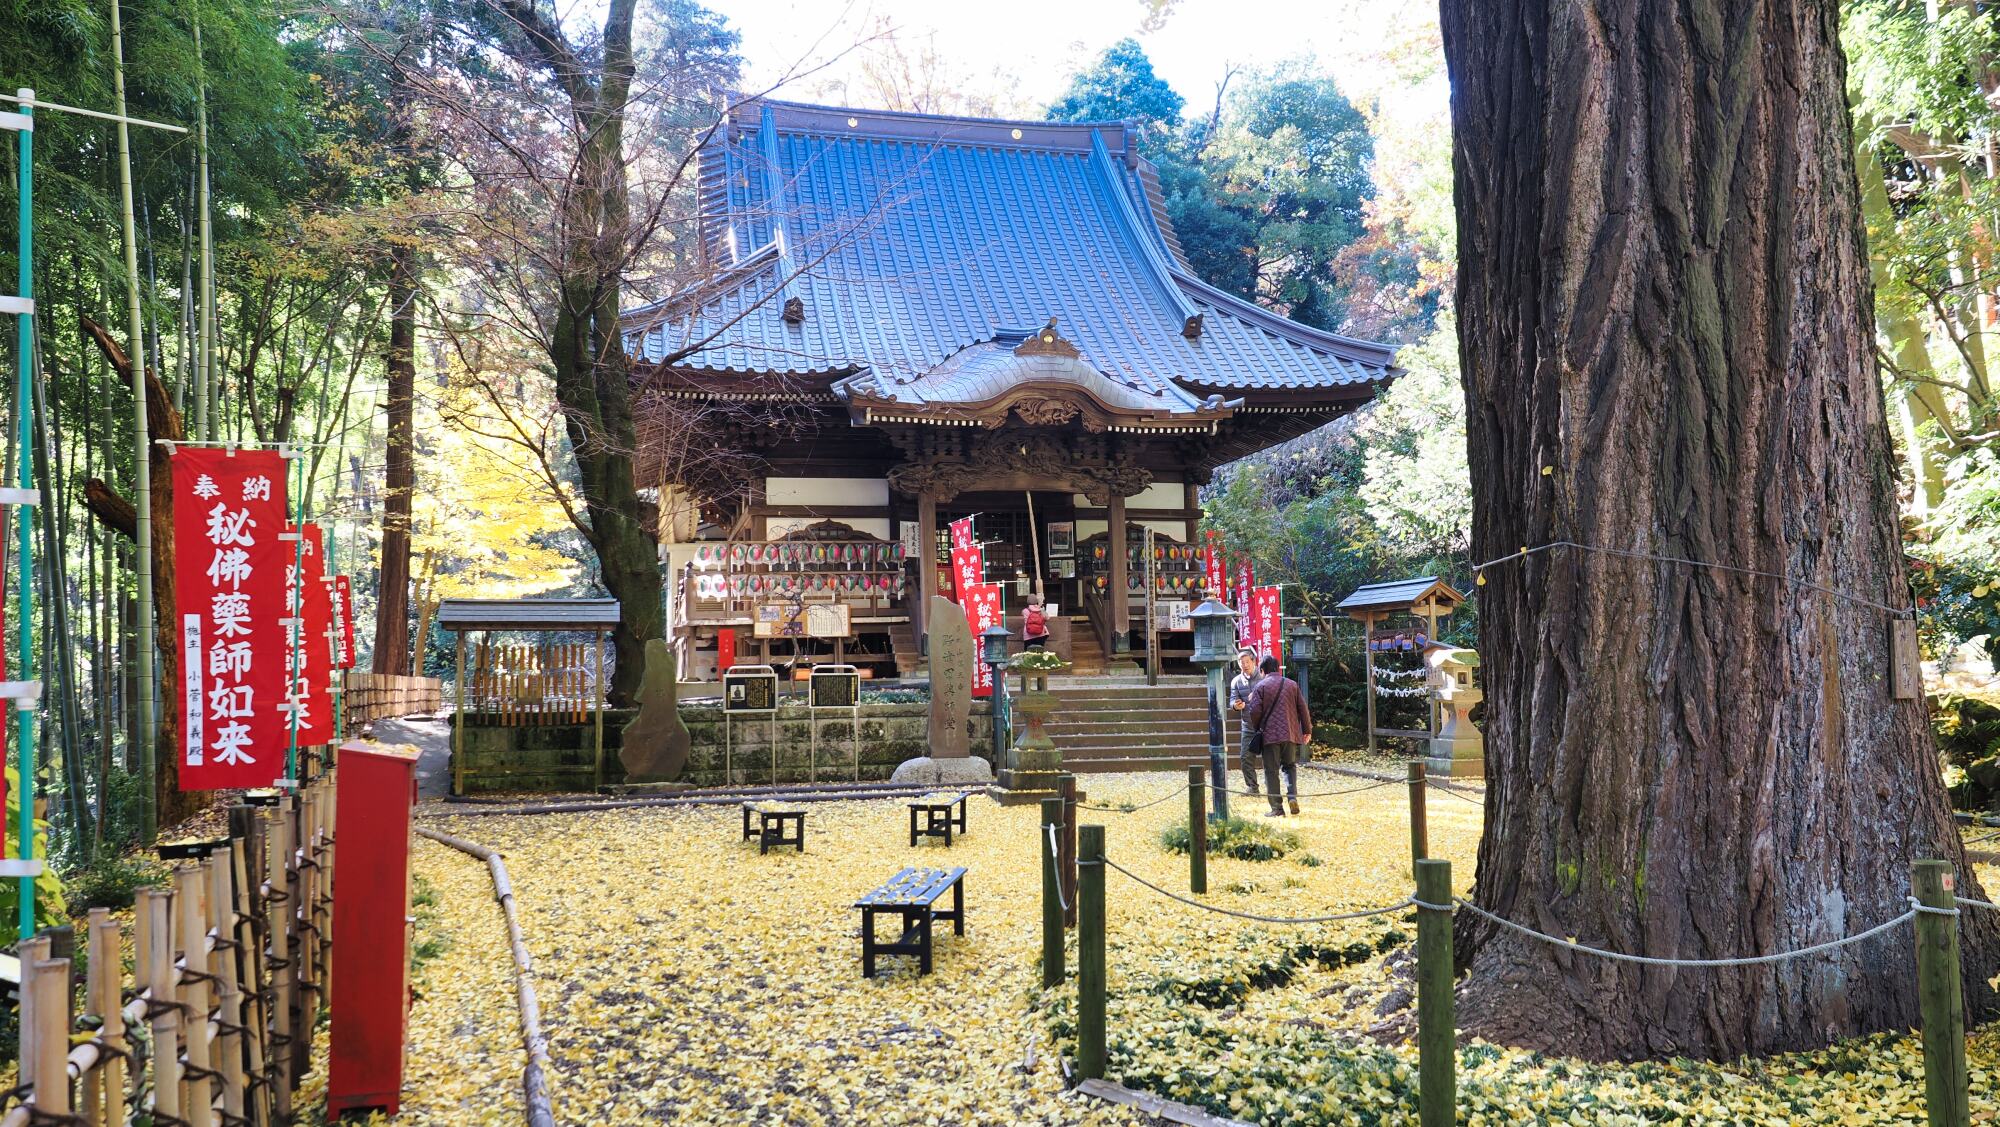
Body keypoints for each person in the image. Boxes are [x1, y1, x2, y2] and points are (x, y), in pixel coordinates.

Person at [1245, 655, 1310, 816]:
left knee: (1271, 771)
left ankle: (1277, 808)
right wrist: (1307, 730)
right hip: (1290, 733)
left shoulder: (1260, 686)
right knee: (1289, 766)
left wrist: (1258, 728)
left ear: (1262, 670)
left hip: (1270, 736)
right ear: (1277, 668)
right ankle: (1292, 797)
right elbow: (1303, 708)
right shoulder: (1292, 684)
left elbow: (1254, 711)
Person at [1227, 648, 1263, 795]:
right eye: (1242, 663)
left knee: (1270, 758)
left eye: (1247, 662)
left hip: (1265, 725)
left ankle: (1274, 789)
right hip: (1247, 724)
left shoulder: (1263, 677)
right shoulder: (1236, 681)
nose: (1245, 665)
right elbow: (1232, 701)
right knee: (1245, 757)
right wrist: (1236, 706)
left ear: (1253, 662)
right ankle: (1252, 787)